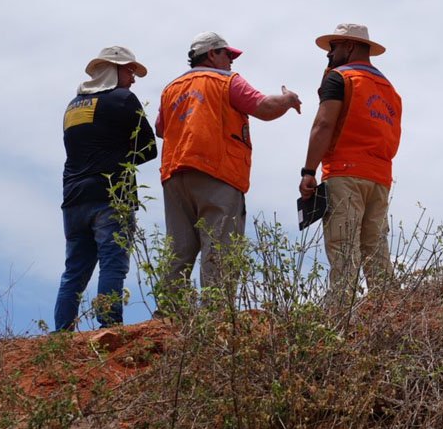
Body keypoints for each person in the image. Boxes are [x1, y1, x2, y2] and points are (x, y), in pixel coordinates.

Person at [156, 31, 302, 305]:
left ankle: (169, 312)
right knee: (220, 246)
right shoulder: (226, 81)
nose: (231, 61)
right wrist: (288, 99)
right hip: (217, 173)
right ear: (212, 54)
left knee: (178, 248)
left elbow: (160, 129)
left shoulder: (170, 89)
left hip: (175, 175)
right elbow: (264, 107)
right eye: (227, 54)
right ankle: (216, 313)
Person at [299, 23, 402, 314]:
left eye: (333, 47)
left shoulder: (340, 78)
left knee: (343, 248)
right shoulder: (390, 90)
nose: (329, 54)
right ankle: (392, 314)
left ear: (350, 46)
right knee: (376, 249)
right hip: (380, 178)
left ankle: (339, 317)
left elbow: (324, 125)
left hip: (344, 173)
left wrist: (308, 171)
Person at [55, 45, 157, 331]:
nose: (133, 79)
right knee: (113, 264)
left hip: (74, 197)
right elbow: (149, 148)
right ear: (113, 70)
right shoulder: (123, 99)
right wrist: (120, 158)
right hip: (111, 195)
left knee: (74, 270)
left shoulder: (73, 106)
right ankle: (109, 327)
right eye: (129, 71)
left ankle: (61, 331)